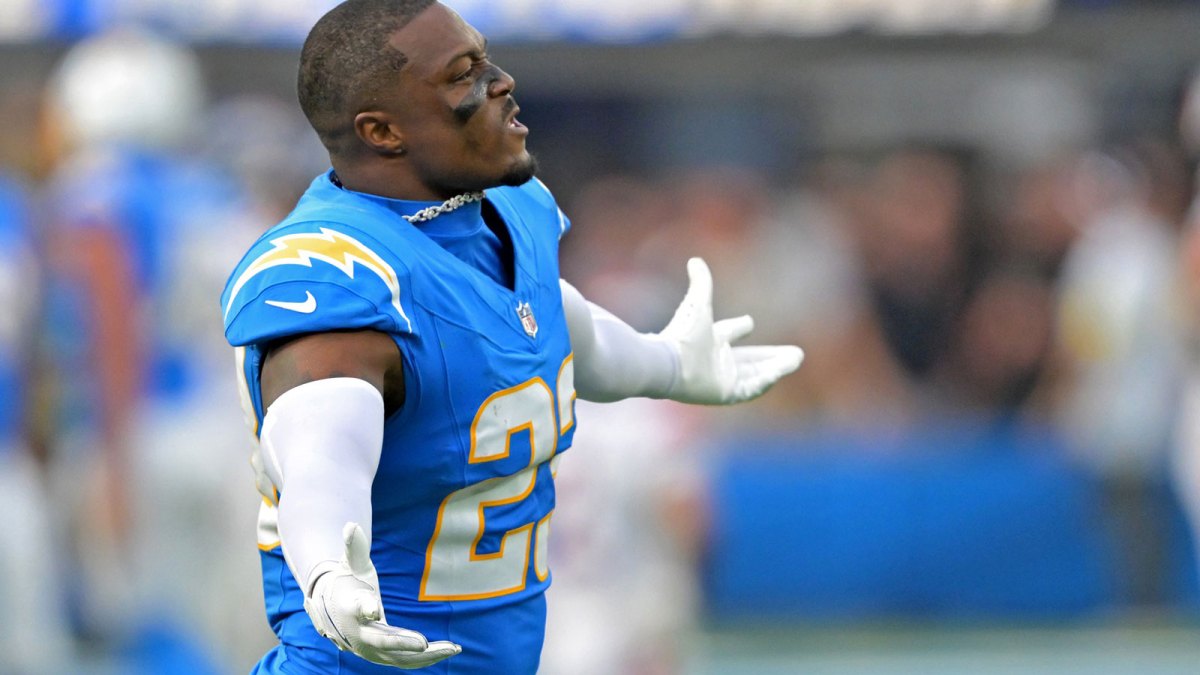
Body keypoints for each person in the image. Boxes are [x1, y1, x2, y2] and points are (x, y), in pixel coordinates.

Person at [219, 1, 804, 672]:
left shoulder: (501, 209)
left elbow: (539, 323)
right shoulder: (341, 279)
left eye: (486, 57)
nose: (501, 82)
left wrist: (662, 361)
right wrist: (327, 568)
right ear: (382, 130)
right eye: (462, 74)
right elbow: (322, 452)